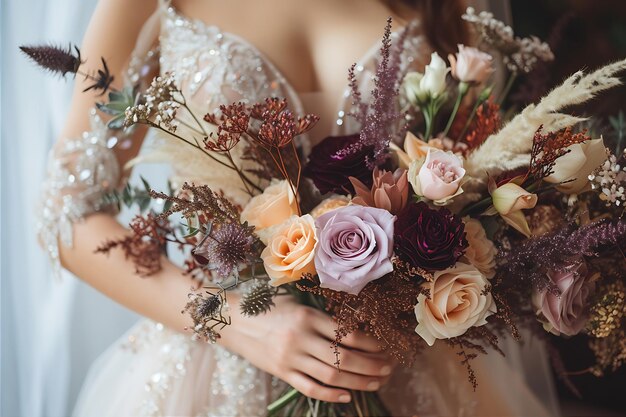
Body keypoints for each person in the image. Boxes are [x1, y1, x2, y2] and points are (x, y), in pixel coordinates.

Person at [38, 0, 560, 415]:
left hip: (404, 365)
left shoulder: (443, 6)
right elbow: (67, 217)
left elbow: (476, 174)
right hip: (217, 373)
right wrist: (235, 321)